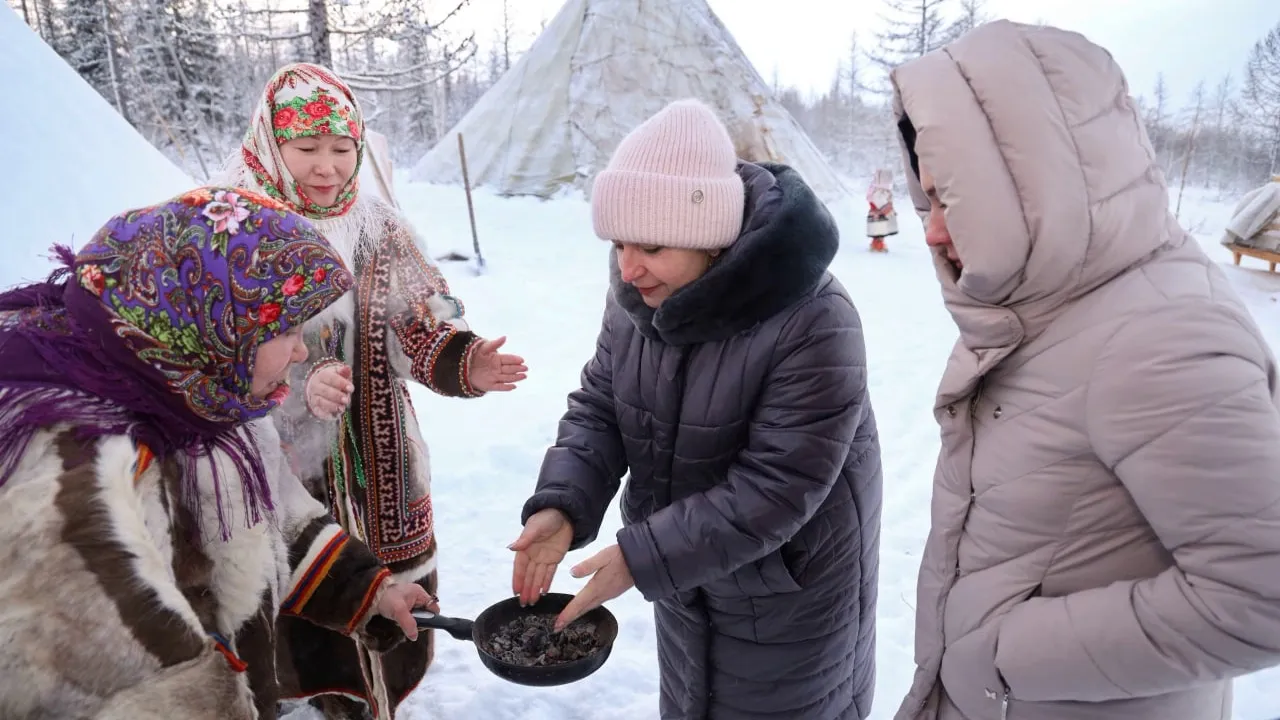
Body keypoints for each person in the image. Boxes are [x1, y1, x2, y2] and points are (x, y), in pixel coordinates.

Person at [889, 20, 1280, 720]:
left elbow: (1263, 596)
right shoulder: (1049, 307)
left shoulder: (1160, 336)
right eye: (926, 199)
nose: (931, 229)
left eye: (949, 197)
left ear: (1035, 181)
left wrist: (998, 655)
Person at [0, 189, 438, 720]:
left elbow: (265, 511)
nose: (301, 353)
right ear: (216, 319)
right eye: (287, 331)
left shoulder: (200, 391)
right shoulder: (82, 477)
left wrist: (365, 590)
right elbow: (113, 681)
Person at [510, 98, 882, 720]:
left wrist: (645, 555)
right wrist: (564, 501)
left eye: (651, 246)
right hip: (687, 573)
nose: (628, 268)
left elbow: (780, 485)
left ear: (709, 237)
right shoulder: (640, 296)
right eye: (619, 243)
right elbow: (602, 403)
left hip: (787, 594)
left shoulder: (814, 319)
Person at [213, 63, 528, 719]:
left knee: (385, 589)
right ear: (272, 145)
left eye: (341, 148)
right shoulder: (232, 229)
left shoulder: (376, 224)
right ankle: (317, 693)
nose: (327, 167)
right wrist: (298, 389)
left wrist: (465, 362)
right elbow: (211, 352)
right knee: (303, 582)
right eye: (307, 149)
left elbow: (420, 319)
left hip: (379, 462)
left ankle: (374, 696)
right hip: (280, 464)